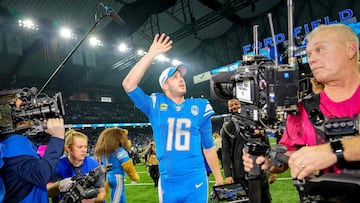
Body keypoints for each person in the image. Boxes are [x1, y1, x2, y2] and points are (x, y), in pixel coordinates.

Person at [243, 23, 360, 201]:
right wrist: (269, 161)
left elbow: (327, 152)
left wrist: (333, 150)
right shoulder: (303, 109)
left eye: (320, 49)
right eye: (309, 54)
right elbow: (286, 155)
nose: (311, 59)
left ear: (350, 50)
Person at [122, 33, 223, 203]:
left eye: (181, 76)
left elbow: (208, 147)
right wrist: (151, 54)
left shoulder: (199, 106)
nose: (181, 79)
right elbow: (128, 84)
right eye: (174, 77)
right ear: (165, 85)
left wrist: (219, 178)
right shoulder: (155, 104)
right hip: (168, 183)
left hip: (195, 181)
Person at [0, 118, 65, 203]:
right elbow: (41, 174)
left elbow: (48, 171)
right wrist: (57, 138)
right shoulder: (13, 143)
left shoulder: (10, 144)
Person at [221, 98, 272, 202]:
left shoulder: (255, 122)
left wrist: (271, 169)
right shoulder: (227, 127)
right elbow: (225, 152)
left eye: (236, 104)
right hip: (239, 173)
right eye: (231, 105)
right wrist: (228, 174)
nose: (234, 107)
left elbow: (266, 145)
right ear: (228, 108)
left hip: (259, 170)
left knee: (265, 200)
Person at [47, 129, 106, 203]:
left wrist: (92, 201)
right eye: (80, 147)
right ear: (68, 148)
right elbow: (46, 191)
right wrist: (58, 185)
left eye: (85, 147)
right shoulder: (56, 166)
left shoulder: (94, 165)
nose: (84, 150)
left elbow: (102, 193)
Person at [94, 127, 140, 203]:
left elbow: (100, 166)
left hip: (106, 177)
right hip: (117, 177)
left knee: (103, 196)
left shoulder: (104, 153)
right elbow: (128, 166)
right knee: (117, 196)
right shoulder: (120, 151)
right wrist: (134, 177)